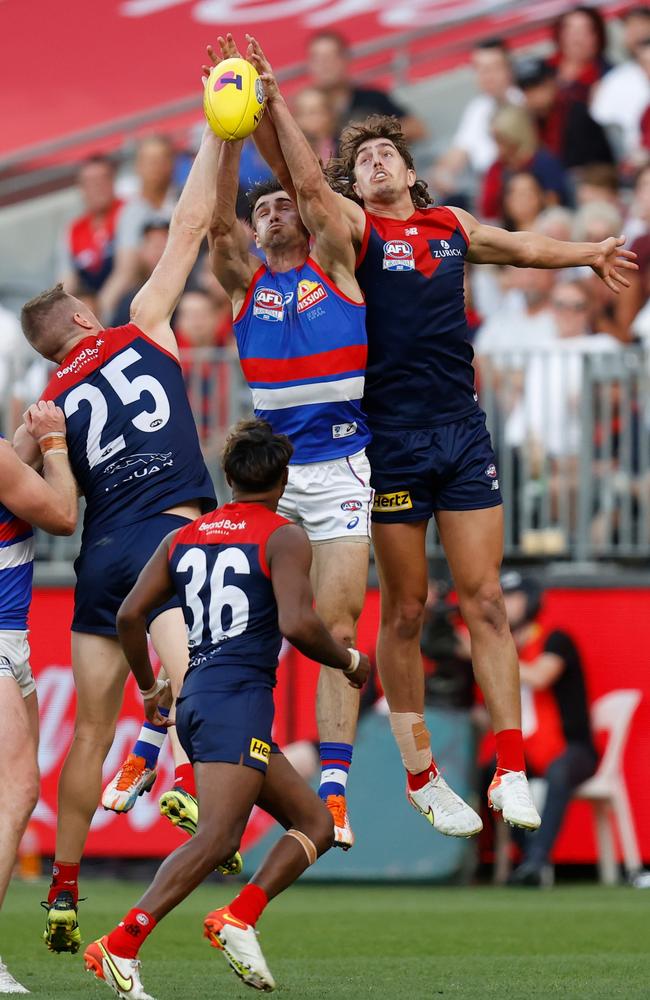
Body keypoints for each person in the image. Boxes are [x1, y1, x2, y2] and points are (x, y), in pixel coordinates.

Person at [259, 97, 636, 836]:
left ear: (407, 168)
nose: (374, 163)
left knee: (488, 601)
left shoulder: (451, 226)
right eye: (360, 161)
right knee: (405, 610)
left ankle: (511, 767)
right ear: (354, 188)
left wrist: (587, 254)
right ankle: (421, 773)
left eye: (383, 154)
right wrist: (272, 106)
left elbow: (523, 247)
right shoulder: (355, 232)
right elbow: (302, 184)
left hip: (462, 432)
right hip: (392, 440)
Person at [15, 122, 224, 954]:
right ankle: (176, 772)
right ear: (76, 313)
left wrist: (37, 437)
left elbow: (20, 481)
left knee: (89, 737)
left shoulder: (46, 404)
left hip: (99, 554)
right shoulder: (141, 323)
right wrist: (214, 136)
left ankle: (64, 892)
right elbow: (189, 226)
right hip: (166, 535)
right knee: (201, 676)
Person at [83, 418, 370, 998]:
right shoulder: (283, 534)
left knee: (316, 823)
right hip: (237, 702)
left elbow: (128, 616)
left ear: (229, 478)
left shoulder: (183, 537)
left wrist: (149, 689)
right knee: (216, 839)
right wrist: (349, 662)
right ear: (282, 479)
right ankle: (121, 943)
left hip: (197, 699)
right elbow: (297, 622)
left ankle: (238, 917)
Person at [203, 32, 375, 849]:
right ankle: (214, 796)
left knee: (337, 627)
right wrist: (226, 132)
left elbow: (309, 183)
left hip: (341, 463)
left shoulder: (336, 263)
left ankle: (334, 793)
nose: (272, 212)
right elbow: (216, 226)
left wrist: (267, 100)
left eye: (280, 207)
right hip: (269, 481)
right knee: (243, 637)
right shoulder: (245, 285)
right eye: (260, 208)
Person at [0, 400, 78, 993]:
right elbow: (60, 515)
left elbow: (10, 471)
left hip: (13, 641)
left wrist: (28, 440)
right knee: (19, 789)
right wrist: (52, 443)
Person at [494, 572, 598, 887]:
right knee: (491, 772)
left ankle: (538, 861)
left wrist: (487, 655)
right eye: (502, 597)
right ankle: (523, 858)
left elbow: (540, 676)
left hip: (573, 748)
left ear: (532, 601)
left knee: (558, 773)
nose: (506, 604)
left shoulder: (555, 639)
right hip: (526, 748)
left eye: (513, 597)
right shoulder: (504, 647)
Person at [99, 136, 178, 324]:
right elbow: (125, 269)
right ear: (138, 166)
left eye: (161, 160)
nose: (155, 167)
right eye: (149, 161)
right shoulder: (129, 212)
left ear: (171, 164)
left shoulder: (183, 200)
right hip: (142, 286)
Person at [432, 38, 523, 197]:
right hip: (484, 187)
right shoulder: (477, 108)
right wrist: (442, 172)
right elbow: (458, 152)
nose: (486, 76)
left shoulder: (522, 101)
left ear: (509, 69)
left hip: (517, 184)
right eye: (480, 69)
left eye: (493, 68)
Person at [306, 30, 426, 143]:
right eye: (318, 59)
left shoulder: (372, 98)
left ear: (345, 59)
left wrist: (372, 134)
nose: (324, 65)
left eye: (330, 57)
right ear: (310, 64)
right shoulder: (305, 108)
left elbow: (415, 128)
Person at [516, 57, 613, 169]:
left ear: (553, 82)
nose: (533, 94)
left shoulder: (575, 112)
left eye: (538, 86)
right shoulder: (531, 121)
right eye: (526, 89)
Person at [479, 104, 570, 222]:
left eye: (502, 140)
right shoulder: (496, 168)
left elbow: (553, 204)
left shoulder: (545, 162)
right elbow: (488, 210)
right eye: (496, 140)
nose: (499, 146)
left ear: (516, 136)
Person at [57, 155, 123, 299]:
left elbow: (126, 272)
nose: (98, 187)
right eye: (91, 182)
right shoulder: (73, 230)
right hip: (90, 306)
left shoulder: (127, 212)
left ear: (113, 181)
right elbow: (66, 282)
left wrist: (99, 312)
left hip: (125, 301)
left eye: (103, 180)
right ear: (81, 188)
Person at [590, 6, 650, 159]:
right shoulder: (614, 80)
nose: (638, 31)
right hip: (637, 162)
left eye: (643, 23)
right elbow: (604, 122)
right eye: (630, 26)